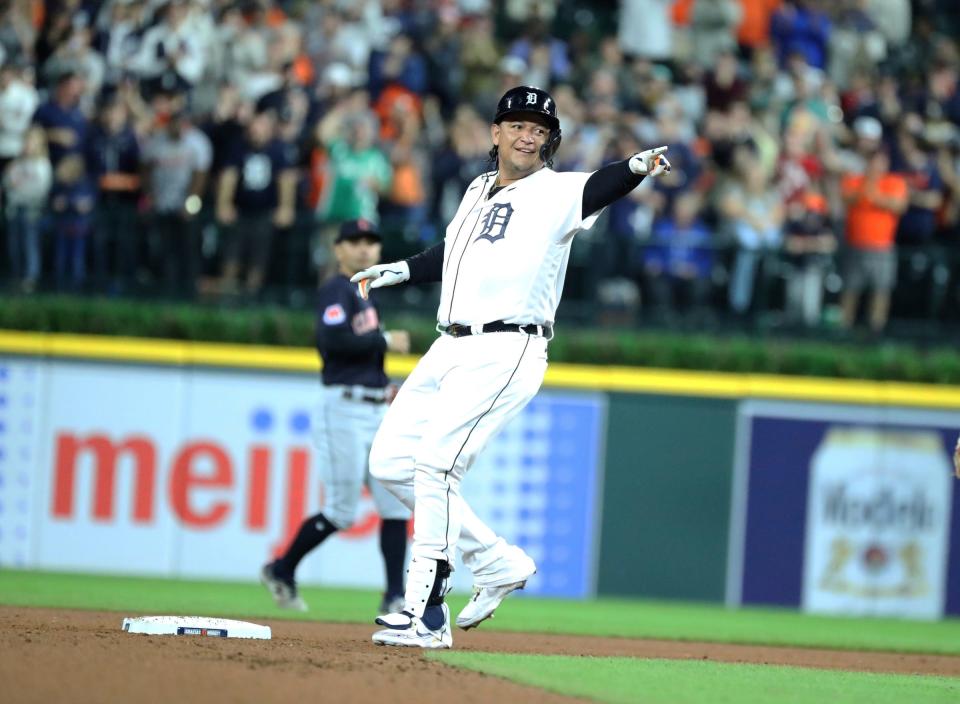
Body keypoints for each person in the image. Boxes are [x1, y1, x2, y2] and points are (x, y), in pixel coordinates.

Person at [350, 86, 671, 649]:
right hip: (448, 344)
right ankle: (496, 562)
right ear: (496, 132)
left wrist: (637, 167)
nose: (529, 135)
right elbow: (451, 253)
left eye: (540, 129)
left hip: (507, 345)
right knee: (392, 462)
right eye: (518, 124)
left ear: (550, 142)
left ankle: (426, 613)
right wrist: (398, 270)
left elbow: (601, 184)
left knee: (436, 467)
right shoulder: (477, 188)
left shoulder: (556, 193)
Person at [260, 218, 413, 615]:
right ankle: (282, 568)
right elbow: (332, 340)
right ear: (339, 249)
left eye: (371, 243)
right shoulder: (336, 289)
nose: (365, 249)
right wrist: (382, 339)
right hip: (342, 409)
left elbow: (360, 353)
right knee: (342, 511)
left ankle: (395, 596)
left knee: (395, 505)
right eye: (355, 242)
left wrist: (385, 386)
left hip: (374, 407)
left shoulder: (365, 293)